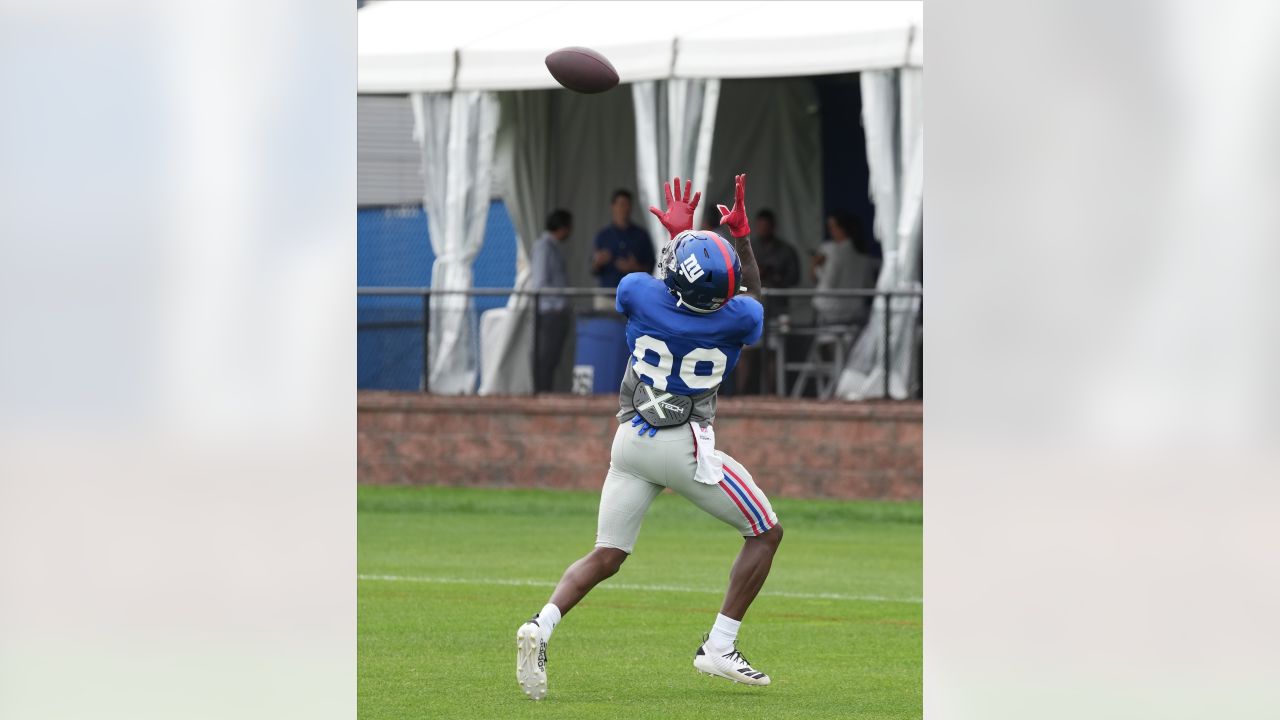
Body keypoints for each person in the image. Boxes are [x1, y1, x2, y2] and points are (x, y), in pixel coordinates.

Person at [516, 175, 783, 700]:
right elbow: (751, 296)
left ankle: (541, 625)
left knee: (607, 553)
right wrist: (743, 241)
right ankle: (719, 645)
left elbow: (664, 288)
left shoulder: (636, 292)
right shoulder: (739, 319)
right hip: (685, 449)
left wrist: (675, 238)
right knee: (766, 533)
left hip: (630, 442)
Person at [736, 209, 801, 394]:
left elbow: (795, 278)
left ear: (773, 226)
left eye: (767, 226)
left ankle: (773, 393)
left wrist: (775, 275)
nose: (763, 229)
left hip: (777, 308)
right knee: (745, 353)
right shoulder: (748, 248)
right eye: (760, 226)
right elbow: (737, 275)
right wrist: (756, 274)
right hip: (752, 307)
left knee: (774, 353)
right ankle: (740, 393)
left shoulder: (786, 250)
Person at [811, 211, 880, 327]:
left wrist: (818, 267)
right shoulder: (863, 254)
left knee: (828, 343)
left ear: (843, 228)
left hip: (831, 311)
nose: (831, 231)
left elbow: (829, 282)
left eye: (832, 227)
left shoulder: (834, 251)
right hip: (855, 311)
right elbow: (869, 285)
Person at [530, 209, 573, 393]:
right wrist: (558, 301)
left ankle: (545, 392)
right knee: (545, 358)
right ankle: (541, 395)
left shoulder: (551, 247)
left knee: (552, 358)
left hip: (556, 311)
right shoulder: (543, 247)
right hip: (550, 312)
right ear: (563, 227)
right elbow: (540, 282)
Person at [590, 189, 655, 311]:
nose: (624, 208)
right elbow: (593, 269)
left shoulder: (641, 235)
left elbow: (653, 267)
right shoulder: (603, 235)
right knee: (604, 329)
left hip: (634, 297)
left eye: (628, 205)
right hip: (606, 297)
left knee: (632, 330)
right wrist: (598, 262)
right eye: (621, 204)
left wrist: (635, 268)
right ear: (613, 206)